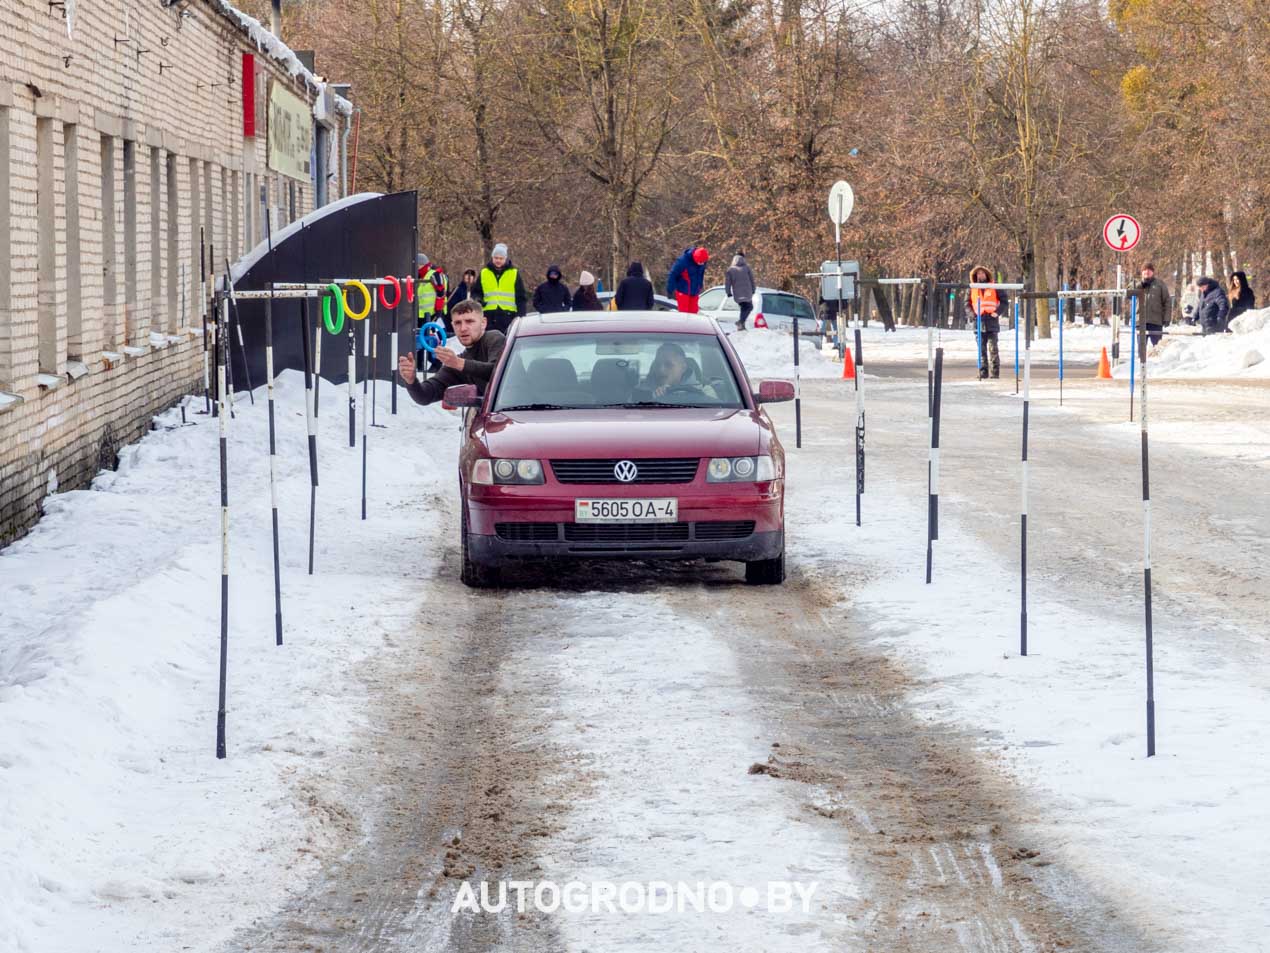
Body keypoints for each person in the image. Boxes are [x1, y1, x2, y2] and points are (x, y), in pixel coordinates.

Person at [397, 299, 505, 405]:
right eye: (458, 323)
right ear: (452, 326)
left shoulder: (493, 338)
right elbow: (425, 396)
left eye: (469, 321)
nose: (463, 328)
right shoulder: (457, 364)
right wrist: (411, 380)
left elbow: (499, 372)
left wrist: (458, 363)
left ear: (483, 323)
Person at [474, 242, 528, 335]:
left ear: (505, 259)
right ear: (492, 258)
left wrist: (521, 316)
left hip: (508, 315)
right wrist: (478, 300)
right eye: (496, 258)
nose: (498, 260)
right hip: (488, 315)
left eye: (501, 258)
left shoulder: (514, 273)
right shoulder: (484, 272)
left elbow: (521, 297)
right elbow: (476, 292)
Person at [965, 265, 1006, 380]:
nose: (980, 275)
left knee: (993, 349)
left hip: (991, 320)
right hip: (978, 321)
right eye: (978, 273)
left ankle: (995, 373)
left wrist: (997, 312)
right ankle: (983, 372)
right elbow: (967, 304)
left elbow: (1004, 302)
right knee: (981, 349)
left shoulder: (994, 286)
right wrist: (972, 315)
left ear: (986, 274)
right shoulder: (972, 288)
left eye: (982, 273)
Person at [666, 246, 710, 313]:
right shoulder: (683, 261)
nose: (702, 264)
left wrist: (700, 286)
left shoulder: (703, 261)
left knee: (694, 314)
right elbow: (673, 274)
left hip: (695, 292)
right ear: (695, 258)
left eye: (703, 262)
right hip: (683, 291)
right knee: (684, 314)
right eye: (700, 262)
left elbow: (701, 274)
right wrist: (670, 289)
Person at [1136, 263, 1170, 346]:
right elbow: (1128, 293)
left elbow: (1167, 301)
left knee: (1157, 347)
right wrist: (1140, 285)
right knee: (1141, 349)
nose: (1147, 272)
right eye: (1145, 270)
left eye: (1149, 270)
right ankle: (1142, 359)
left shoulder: (1160, 284)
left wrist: (1167, 317)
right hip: (1140, 321)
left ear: (1153, 272)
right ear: (1142, 272)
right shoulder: (1136, 284)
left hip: (1156, 322)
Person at [725, 251, 757, 331]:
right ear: (743, 258)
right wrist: (753, 289)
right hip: (747, 291)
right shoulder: (747, 268)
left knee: (744, 307)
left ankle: (741, 325)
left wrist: (728, 292)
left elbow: (727, 283)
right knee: (749, 307)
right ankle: (741, 322)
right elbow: (752, 280)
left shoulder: (730, 269)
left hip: (737, 293)